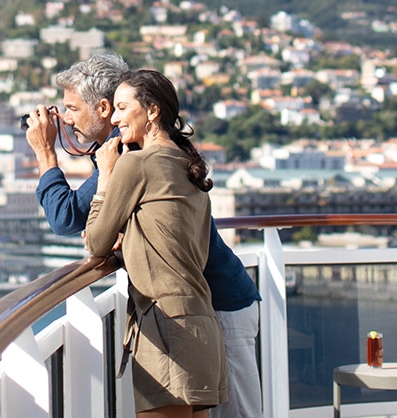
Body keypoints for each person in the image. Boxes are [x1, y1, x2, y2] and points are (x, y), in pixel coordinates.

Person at [24, 54, 263, 418]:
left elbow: (70, 220)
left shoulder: (133, 159)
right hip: (206, 308)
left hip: (202, 309)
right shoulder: (161, 153)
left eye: (71, 108)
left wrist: (45, 154)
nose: (65, 119)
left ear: (104, 108)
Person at [89, 68, 228, 416]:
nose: (115, 118)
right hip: (201, 323)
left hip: (166, 327)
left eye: (122, 108)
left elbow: (95, 242)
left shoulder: (137, 164)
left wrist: (105, 176)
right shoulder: (187, 164)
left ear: (152, 111)